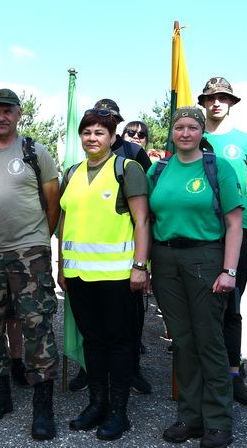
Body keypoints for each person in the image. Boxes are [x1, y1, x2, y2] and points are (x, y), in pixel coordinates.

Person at [0, 88, 60, 441]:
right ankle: (0, 396)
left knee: (37, 327)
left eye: (7, 111)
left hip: (29, 253)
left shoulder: (36, 152)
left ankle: (42, 407)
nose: (1, 116)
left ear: (19, 114)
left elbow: (53, 202)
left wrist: (38, 240)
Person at [148, 106, 243, 448]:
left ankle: (218, 421)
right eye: (179, 127)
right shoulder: (159, 170)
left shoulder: (219, 168)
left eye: (192, 127)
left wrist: (229, 271)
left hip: (205, 256)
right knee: (183, 342)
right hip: (165, 259)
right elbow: (144, 219)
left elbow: (235, 224)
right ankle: (190, 418)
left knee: (209, 340)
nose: (185, 133)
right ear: (172, 132)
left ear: (202, 132)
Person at [58, 106, 150, 441]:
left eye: (100, 132)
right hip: (79, 276)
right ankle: (97, 403)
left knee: (120, 344)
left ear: (113, 137)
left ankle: (118, 412)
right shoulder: (73, 172)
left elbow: (142, 221)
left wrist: (141, 266)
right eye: (87, 131)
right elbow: (65, 221)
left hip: (118, 277)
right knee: (93, 342)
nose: (92, 137)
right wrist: (61, 265)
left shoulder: (127, 169)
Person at [199, 77, 247, 408]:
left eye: (223, 97)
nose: (217, 102)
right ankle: (203, 377)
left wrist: (231, 212)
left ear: (231, 102)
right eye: (211, 97)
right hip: (200, 236)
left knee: (232, 308)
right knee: (200, 308)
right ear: (203, 102)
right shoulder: (191, 137)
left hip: (235, 235)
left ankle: (233, 378)